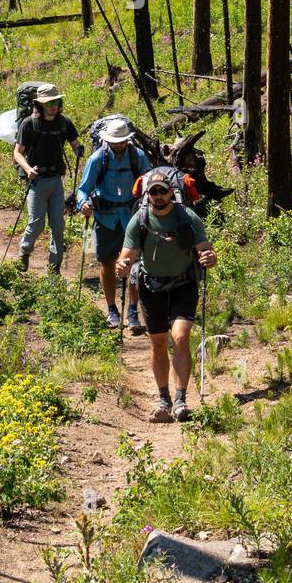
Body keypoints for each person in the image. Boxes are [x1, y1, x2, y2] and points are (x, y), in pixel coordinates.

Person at [116, 167, 217, 423]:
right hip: (152, 287)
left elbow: (205, 250)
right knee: (158, 342)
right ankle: (164, 399)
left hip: (184, 283)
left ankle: (181, 400)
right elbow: (126, 256)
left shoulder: (188, 217)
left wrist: (209, 257)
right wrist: (122, 266)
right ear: (147, 194)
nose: (158, 196)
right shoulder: (139, 221)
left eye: (163, 191)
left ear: (172, 192)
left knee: (180, 337)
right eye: (153, 192)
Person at [76, 119, 151, 331]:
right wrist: (83, 204)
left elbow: (149, 182)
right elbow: (83, 189)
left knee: (135, 265)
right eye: (115, 141)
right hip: (105, 218)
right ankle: (112, 310)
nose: (118, 145)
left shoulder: (138, 156)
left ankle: (133, 311)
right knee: (107, 263)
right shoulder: (97, 158)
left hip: (132, 218)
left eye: (121, 141)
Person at [12, 83, 79, 274]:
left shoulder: (64, 122)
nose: (53, 106)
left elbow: (75, 143)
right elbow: (17, 153)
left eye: (56, 102)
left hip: (56, 181)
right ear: (40, 104)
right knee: (37, 223)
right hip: (37, 181)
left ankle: (54, 267)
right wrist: (27, 169)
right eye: (49, 103)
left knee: (58, 226)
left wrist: (78, 149)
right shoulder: (29, 124)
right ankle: (24, 252)